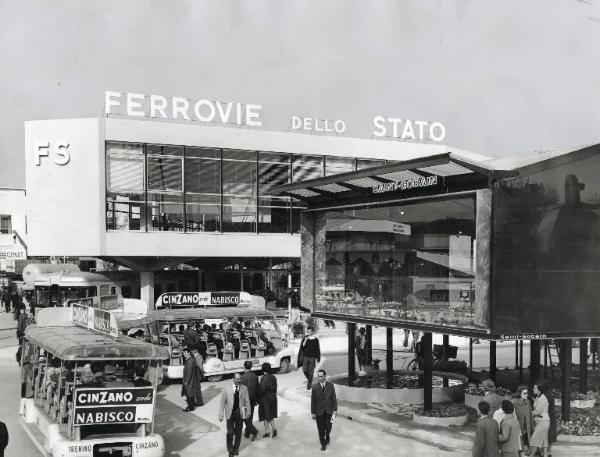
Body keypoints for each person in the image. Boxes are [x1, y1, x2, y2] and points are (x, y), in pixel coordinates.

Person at [218, 372, 250, 457]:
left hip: (239, 413)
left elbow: (247, 401)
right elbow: (222, 402)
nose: (240, 381)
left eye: (240, 379)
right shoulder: (226, 388)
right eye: (238, 379)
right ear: (233, 379)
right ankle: (230, 450)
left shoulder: (244, 388)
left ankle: (236, 449)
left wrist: (248, 413)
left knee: (238, 432)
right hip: (230, 413)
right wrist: (220, 414)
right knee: (230, 432)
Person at [311, 369, 338, 451]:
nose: (320, 378)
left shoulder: (331, 385)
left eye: (321, 376)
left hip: (330, 411)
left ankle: (328, 435)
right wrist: (313, 412)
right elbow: (313, 400)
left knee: (329, 426)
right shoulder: (315, 387)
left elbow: (334, 398)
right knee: (321, 429)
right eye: (318, 376)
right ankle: (323, 444)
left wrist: (335, 410)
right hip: (319, 411)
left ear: (325, 376)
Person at [530, 380, 550, 457]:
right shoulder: (539, 397)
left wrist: (529, 412)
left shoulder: (542, 398)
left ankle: (531, 455)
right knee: (544, 440)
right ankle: (545, 455)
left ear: (539, 389)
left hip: (542, 421)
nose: (533, 389)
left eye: (535, 388)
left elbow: (538, 411)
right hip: (543, 421)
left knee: (534, 439)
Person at [258, 362, 278, 438]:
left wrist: (258, 396)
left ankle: (267, 431)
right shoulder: (274, 377)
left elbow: (262, 389)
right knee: (271, 414)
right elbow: (275, 388)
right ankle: (274, 428)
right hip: (273, 397)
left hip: (265, 398)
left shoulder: (264, 378)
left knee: (264, 415)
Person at [240, 360, 259, 441]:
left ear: (244, 367)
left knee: (245, 417)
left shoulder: (242, 377)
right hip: (253, 399)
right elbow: (257, 388)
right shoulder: (255, 376)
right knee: (249, 417)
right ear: (251, 367)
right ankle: (247, 433)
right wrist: (257, 399)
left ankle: (254, 431)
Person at [513, 385, 533, 456]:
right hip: (518, 428)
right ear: (519, 394)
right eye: (524, 393)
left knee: (526, 443)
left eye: (527, 393)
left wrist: (532, 427)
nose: (526, 395)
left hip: (527, 428)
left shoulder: (528, 402)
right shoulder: (514, 402)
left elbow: (530, 415)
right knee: (520, 445)